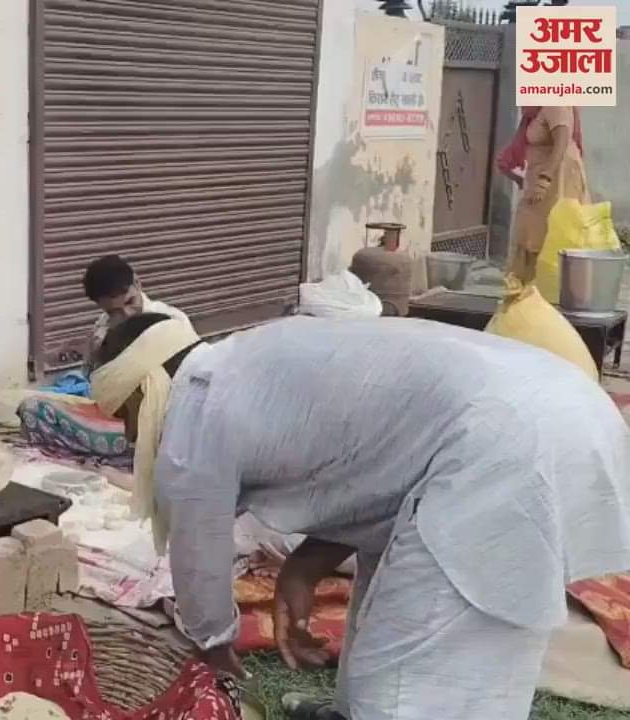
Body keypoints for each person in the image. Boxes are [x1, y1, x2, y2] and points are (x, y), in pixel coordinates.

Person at [90, 313, 630, 719]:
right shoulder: (244, 359)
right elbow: (370, 464)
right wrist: (305, 566)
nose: (133, 436)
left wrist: (214, 648)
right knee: (442, 633)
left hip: (504, 445)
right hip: (562, 405)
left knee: (403, 674)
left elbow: (197, 550)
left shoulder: (196, 404)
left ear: (148, 388)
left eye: (127, 416)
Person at [497, 105, 590, 283]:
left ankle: (548, 289)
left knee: (546, 233)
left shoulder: (556, 105)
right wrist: (517, 176)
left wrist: (544, 180)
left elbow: (561, 144)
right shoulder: (533, 112)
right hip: (538, 174)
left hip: (558, 178)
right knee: (529, 231)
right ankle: (526, 289)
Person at [82, 255, 188, 371]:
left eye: (129, 302)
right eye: (114, 312)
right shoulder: (103, 328)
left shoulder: (173, 321)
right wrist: (95, 356)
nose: (127, 314)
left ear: (137, 283)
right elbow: (89, 376)